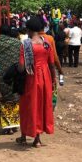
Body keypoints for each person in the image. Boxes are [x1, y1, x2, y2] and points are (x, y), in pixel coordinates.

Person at [17, 17, 56, 147]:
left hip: (31, 78)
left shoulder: (26, 44)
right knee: (41, 105)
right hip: (45, 77)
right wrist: (54, 80)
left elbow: (22, 67)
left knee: (29, 105)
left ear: (28, 29)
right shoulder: (46, 43)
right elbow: (51, 64)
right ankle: (37, 139)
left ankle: (24, 136)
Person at [0, 24, 22, 134]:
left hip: (1, 77)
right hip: (14, 76)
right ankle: (14, 125)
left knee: (4, 101)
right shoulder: (17, 43)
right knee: (14, 100)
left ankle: (7, 127)